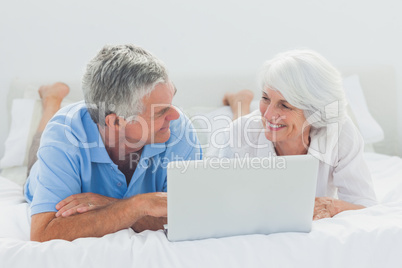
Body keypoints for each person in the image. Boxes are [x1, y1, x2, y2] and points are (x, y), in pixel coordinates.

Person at [24, 44, 201, 242]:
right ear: (116, 122)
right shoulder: (63, 135)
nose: (176, 115)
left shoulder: (177, 128)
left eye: (171, 102)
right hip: (42, 168)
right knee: (35, 153)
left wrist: (114, 205)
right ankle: (52, 99)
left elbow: (195, 216)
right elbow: (43, 233)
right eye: (160, 112)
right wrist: (139, 205)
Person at [217, 49, 377, 220]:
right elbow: (218, 203)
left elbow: (365, 206)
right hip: (244, 131)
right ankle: (239, 103)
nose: (268, 114)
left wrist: (333, 206)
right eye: (265, 98)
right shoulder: (237, 134)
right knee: (245, 126)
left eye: (284, 105)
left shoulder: (340, 132)